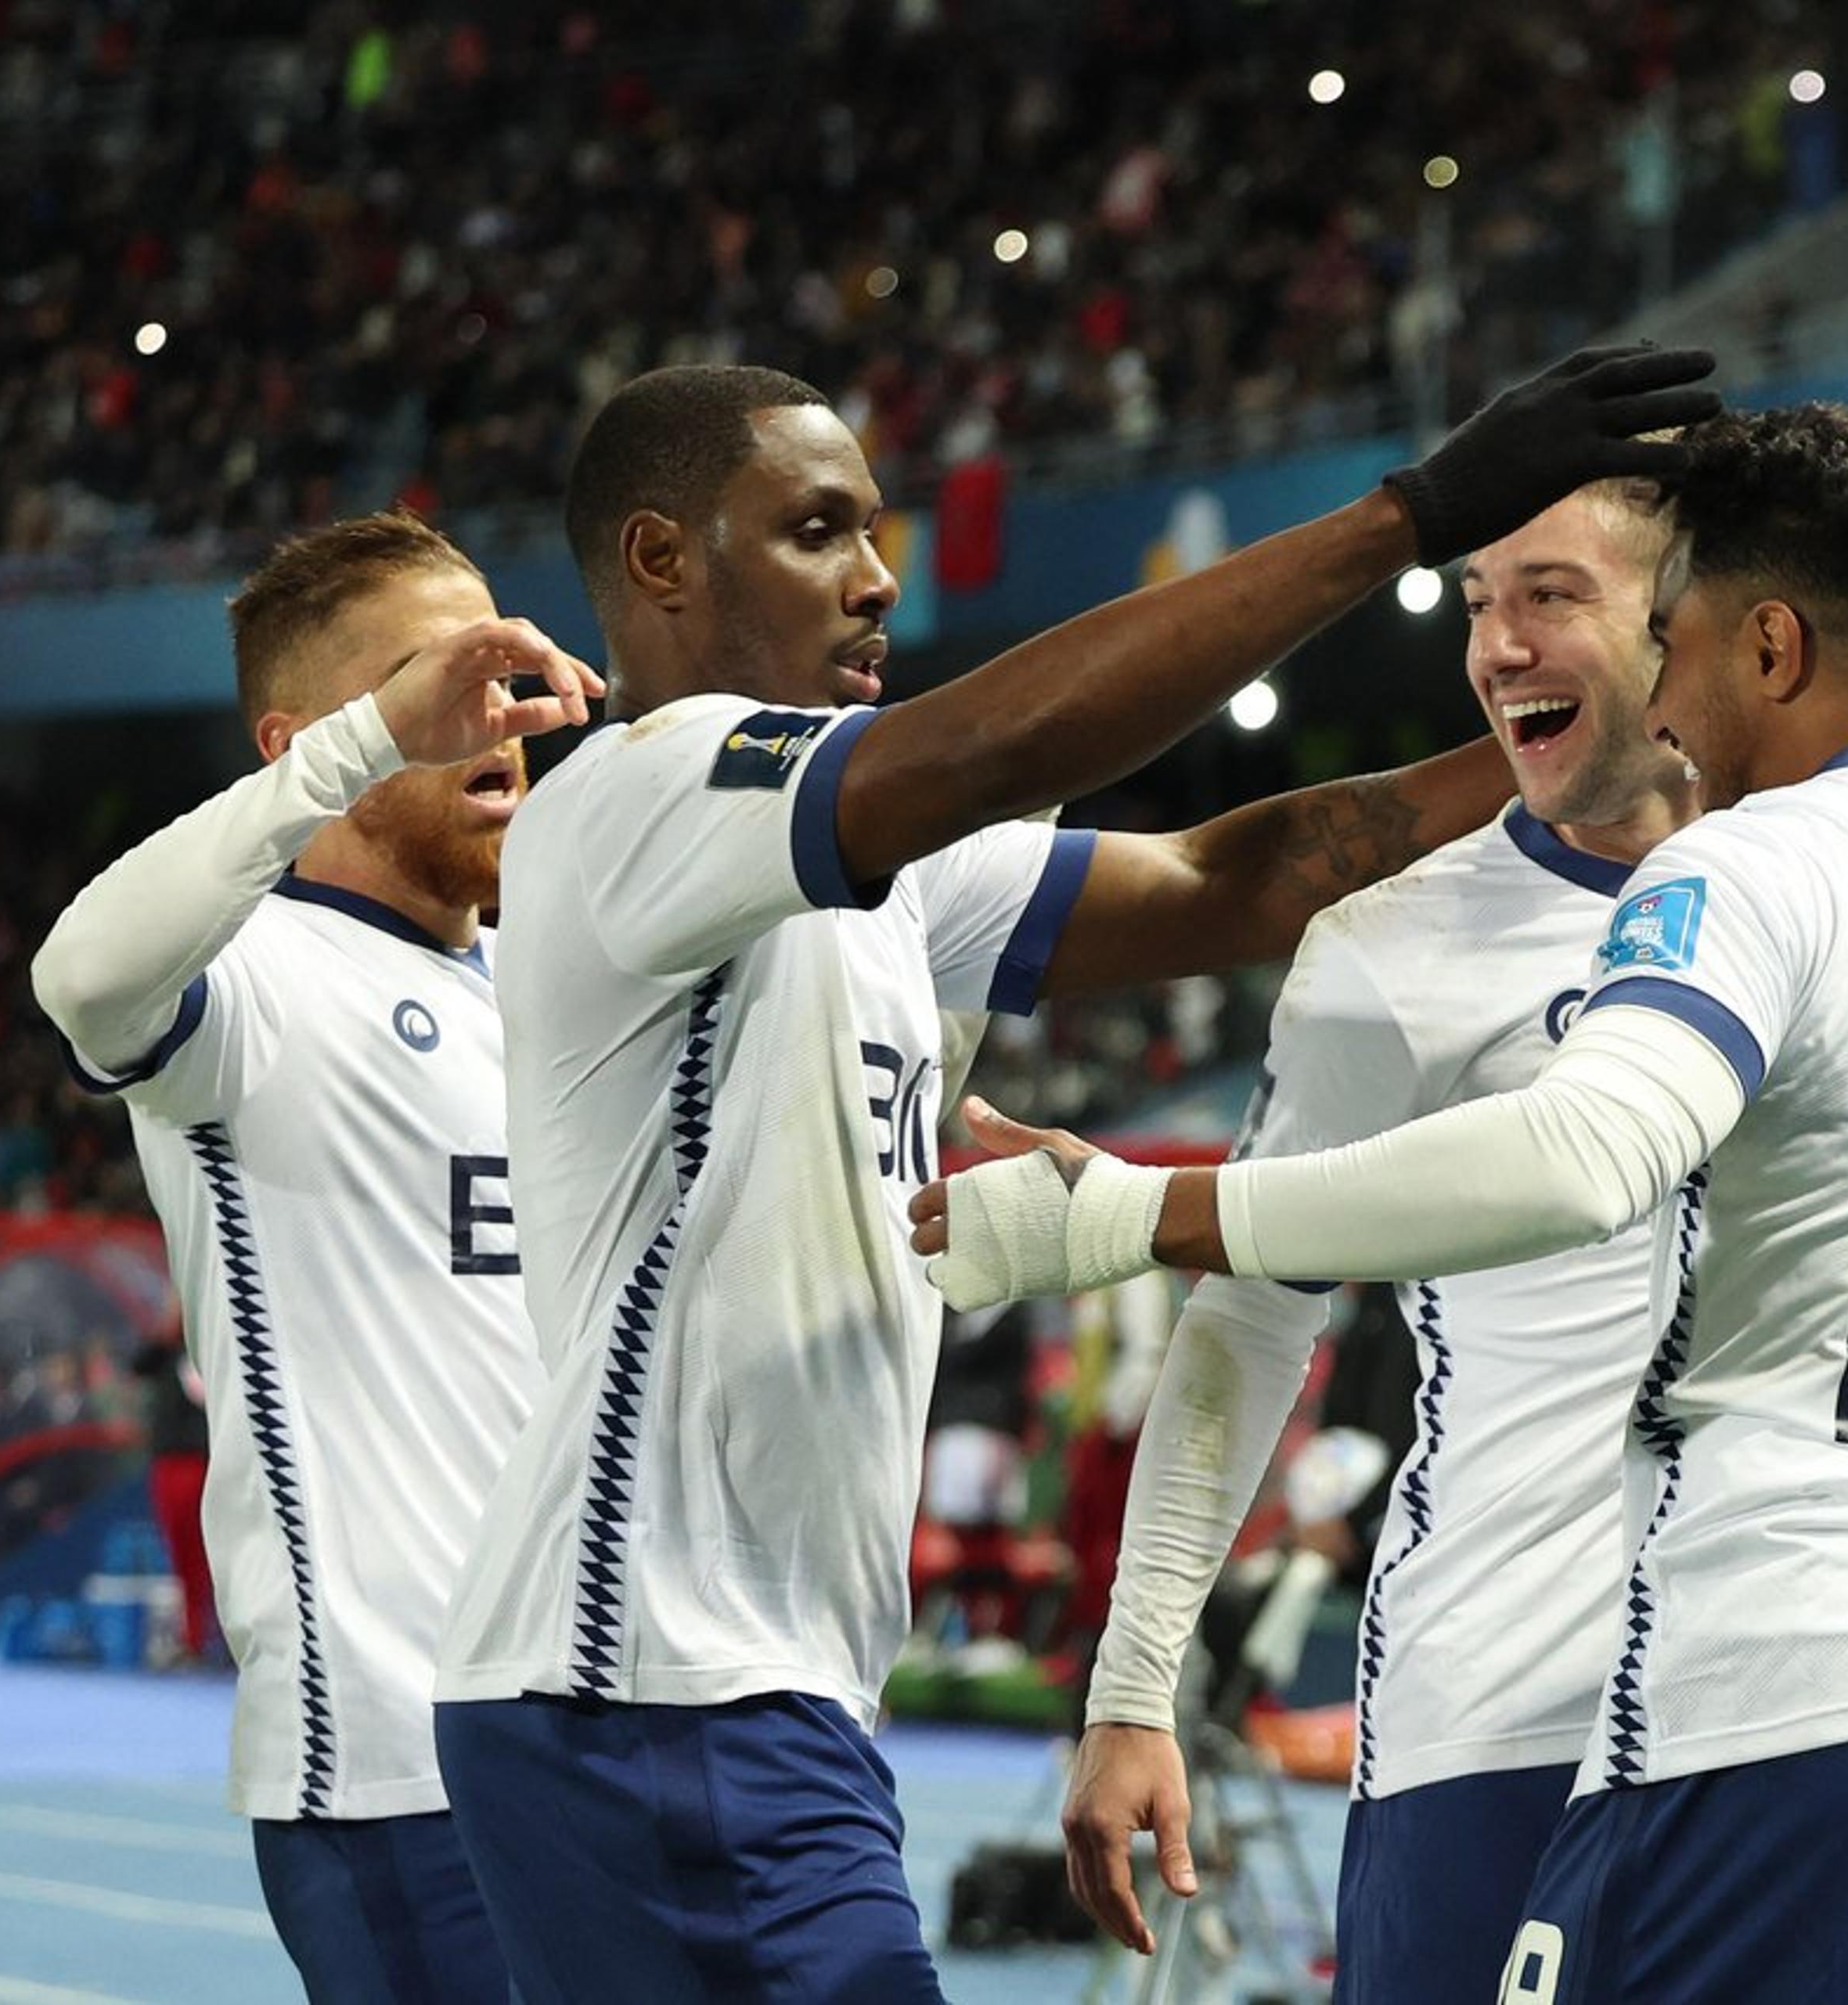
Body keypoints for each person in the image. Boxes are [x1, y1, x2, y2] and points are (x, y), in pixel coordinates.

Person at [918, 402, 1848, 2003]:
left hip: (1758, 1685)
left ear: (1705, 630)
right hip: (1542, 1698)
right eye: (1479, 599)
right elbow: (1254, 1330)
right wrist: (1137, 1680)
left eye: (1561, 596)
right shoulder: (1403, 948)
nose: (1501, 645)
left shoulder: (1788, 860)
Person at [427, 348, 1715, 2001]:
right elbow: (986, 745)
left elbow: (1223, 875)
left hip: (732, 1686)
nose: (876, 574)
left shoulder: (884, 882)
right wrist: (1408, 518)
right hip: (645, 1682)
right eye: (818, 529)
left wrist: (1646, 732)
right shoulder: (642, 792)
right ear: (664, 563)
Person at [31, 509, 602, 2001]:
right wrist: (357, 747)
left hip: (603, 1727)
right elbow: (80, 976)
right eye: (433, 677)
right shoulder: (253, 987)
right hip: (396, 1761)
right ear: (314, 735)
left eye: (498, 661)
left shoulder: (548, 988)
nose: (492, 706)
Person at [129, 1308, 219, 1665]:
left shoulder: (209, 1349)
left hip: (200, 1462)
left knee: (205, 1556)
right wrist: (163, 1333)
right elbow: (137, 1366)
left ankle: (208, 1637)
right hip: (168, 1463)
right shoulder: (165, 1354)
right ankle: (194, 1638)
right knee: (182, 1556)